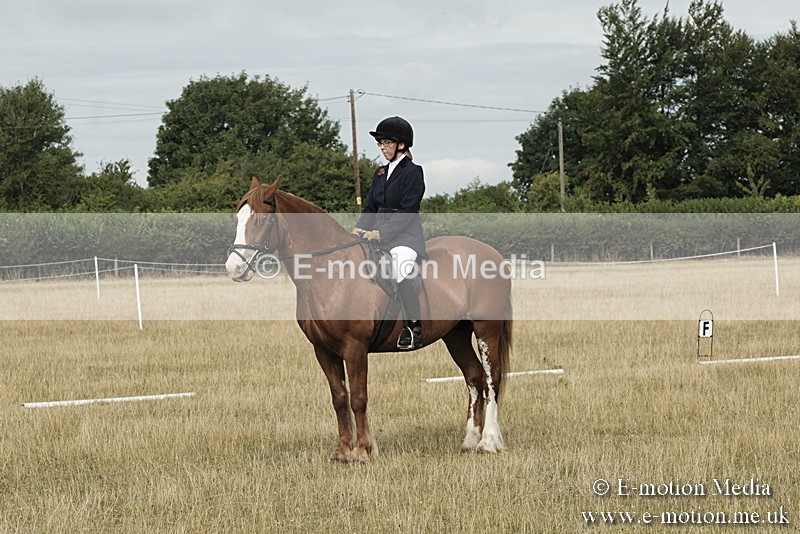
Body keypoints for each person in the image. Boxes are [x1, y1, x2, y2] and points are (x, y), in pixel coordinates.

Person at [353, 116, 426, 350]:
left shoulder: (413, 172)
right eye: (380, 144)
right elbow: (372, 207)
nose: (382, 147)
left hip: (404, 236)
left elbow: (407, 210)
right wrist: (359, 228)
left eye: (386, 143)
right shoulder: (380, 173)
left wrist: (381, 234)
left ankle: (414, 329)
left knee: (401, 269)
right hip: (378, 232)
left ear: (401, 145)